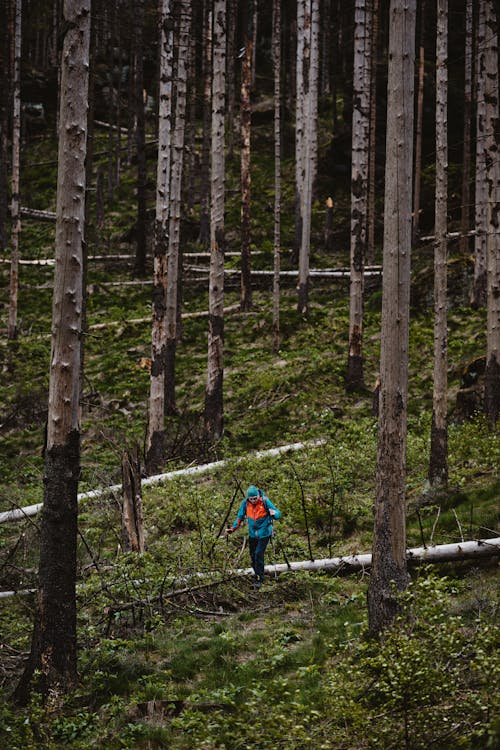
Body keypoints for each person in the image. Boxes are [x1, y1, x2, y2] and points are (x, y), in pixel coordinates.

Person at [226, 485, 281, 589]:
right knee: (252, 555)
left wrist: (274, 514)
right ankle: (257, 574)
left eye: (255, 498)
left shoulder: (264, 501)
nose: (253, 500)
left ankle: (260, 579)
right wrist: (232, 529)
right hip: (252, 535)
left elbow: (278, 513)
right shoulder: (245, 503)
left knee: (258, 554)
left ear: (258, 496)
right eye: (251, 499)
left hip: (264, 533)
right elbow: (240, 517)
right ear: (248, 498)